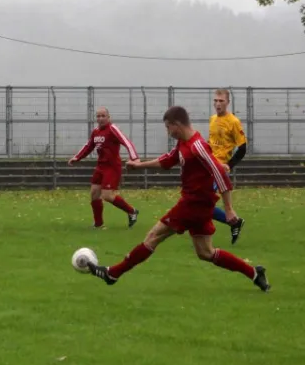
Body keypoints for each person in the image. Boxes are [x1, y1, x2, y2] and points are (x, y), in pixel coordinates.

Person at [86, 106, 270, 292]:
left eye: (168, 128)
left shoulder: (197, 146)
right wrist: (139, 165)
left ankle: (113, 273)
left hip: (193, 204)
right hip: (199, 205)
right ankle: (254, 273)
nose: (168, 132)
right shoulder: (183, 143)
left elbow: (220, 173)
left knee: (153, 237)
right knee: (206, 253)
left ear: (177, 124)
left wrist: (229, 208)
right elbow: (167, 160)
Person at [68, 107, 140, 229]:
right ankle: (98, 224)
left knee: (107, 196)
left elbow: (127, 142)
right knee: (94, 194)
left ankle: (132, 211)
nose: (100, 118)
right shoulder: (96, 131)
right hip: (100, 166)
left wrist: (134, 158)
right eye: (98, 116)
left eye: (103, 116)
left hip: (112, 167)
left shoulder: (113, 129)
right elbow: (88, 146)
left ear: (108, 117)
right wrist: (77, 157)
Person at [209, 89, 247, 244]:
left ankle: (201, 236)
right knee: (202, 203)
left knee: (202, 202)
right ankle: (234, 221)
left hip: (219, 169)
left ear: (228, 103)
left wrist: (229, 165)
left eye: (221, 101)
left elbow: (243, 148)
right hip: (208, 166)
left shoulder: (233, 122)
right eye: (216, 101)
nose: (218, 104)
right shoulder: (212, 120)